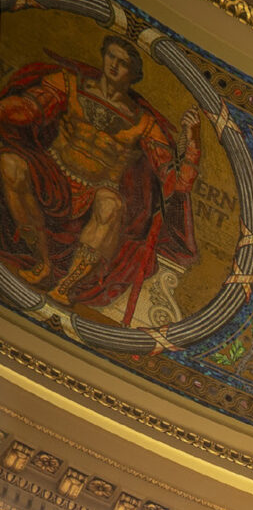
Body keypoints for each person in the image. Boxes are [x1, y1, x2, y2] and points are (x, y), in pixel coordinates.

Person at [0, 29, 202, 318]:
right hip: (54, 171)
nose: (113, 65)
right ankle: (41, 260)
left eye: (123, 63)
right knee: (9, 164)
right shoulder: (69, 85)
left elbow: (175, 181)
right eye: (111, 56)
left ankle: (66, 286)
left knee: (112, 205)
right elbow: (28, 109)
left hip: (97, 187)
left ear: (133, 75)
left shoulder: (143, 123)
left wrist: (191, 143)